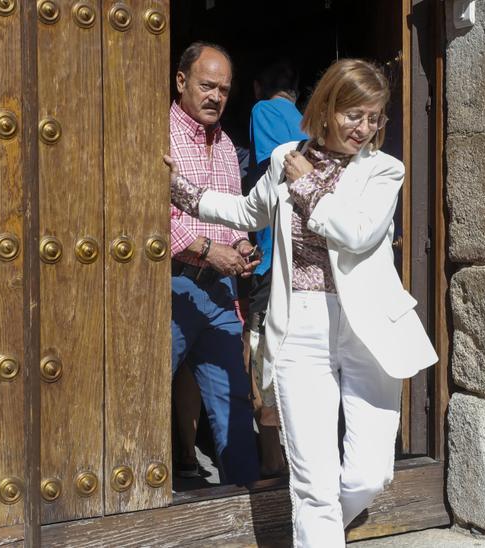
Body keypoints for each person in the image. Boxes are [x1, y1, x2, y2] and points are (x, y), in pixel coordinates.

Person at [167, 59, 437, 547]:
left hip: (367, 331)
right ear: (328, 108)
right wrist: (181, 192)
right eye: (355, 114)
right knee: (313, 486)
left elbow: (357, 233)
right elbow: (247, 210)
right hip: (301, 329)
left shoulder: (384, 170)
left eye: (375, 117)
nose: (366, 128)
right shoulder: (285, 157)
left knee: (369, 475)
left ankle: (324, 526)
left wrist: (308, 183)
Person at [167, 41, 261, 486]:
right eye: (207, 86)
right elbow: (148, 216)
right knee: (141, 396)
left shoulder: (226, 144)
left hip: (220, 294)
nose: (216, 97)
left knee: (233, 403)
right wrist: (207, 250)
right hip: (171, 287)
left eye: (224, 89)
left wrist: (240, 246)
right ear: (181, 81)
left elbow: (234, 213)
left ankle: (244, 512)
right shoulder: (157, 134)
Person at [245, 59, 307, 477]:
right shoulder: (308, 119)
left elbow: (274, 167)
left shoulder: (262, 111)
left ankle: (271, 462)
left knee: (261, 352)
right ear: (298, 92)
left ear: (256, 87)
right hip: (303, 258)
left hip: (271, 256)